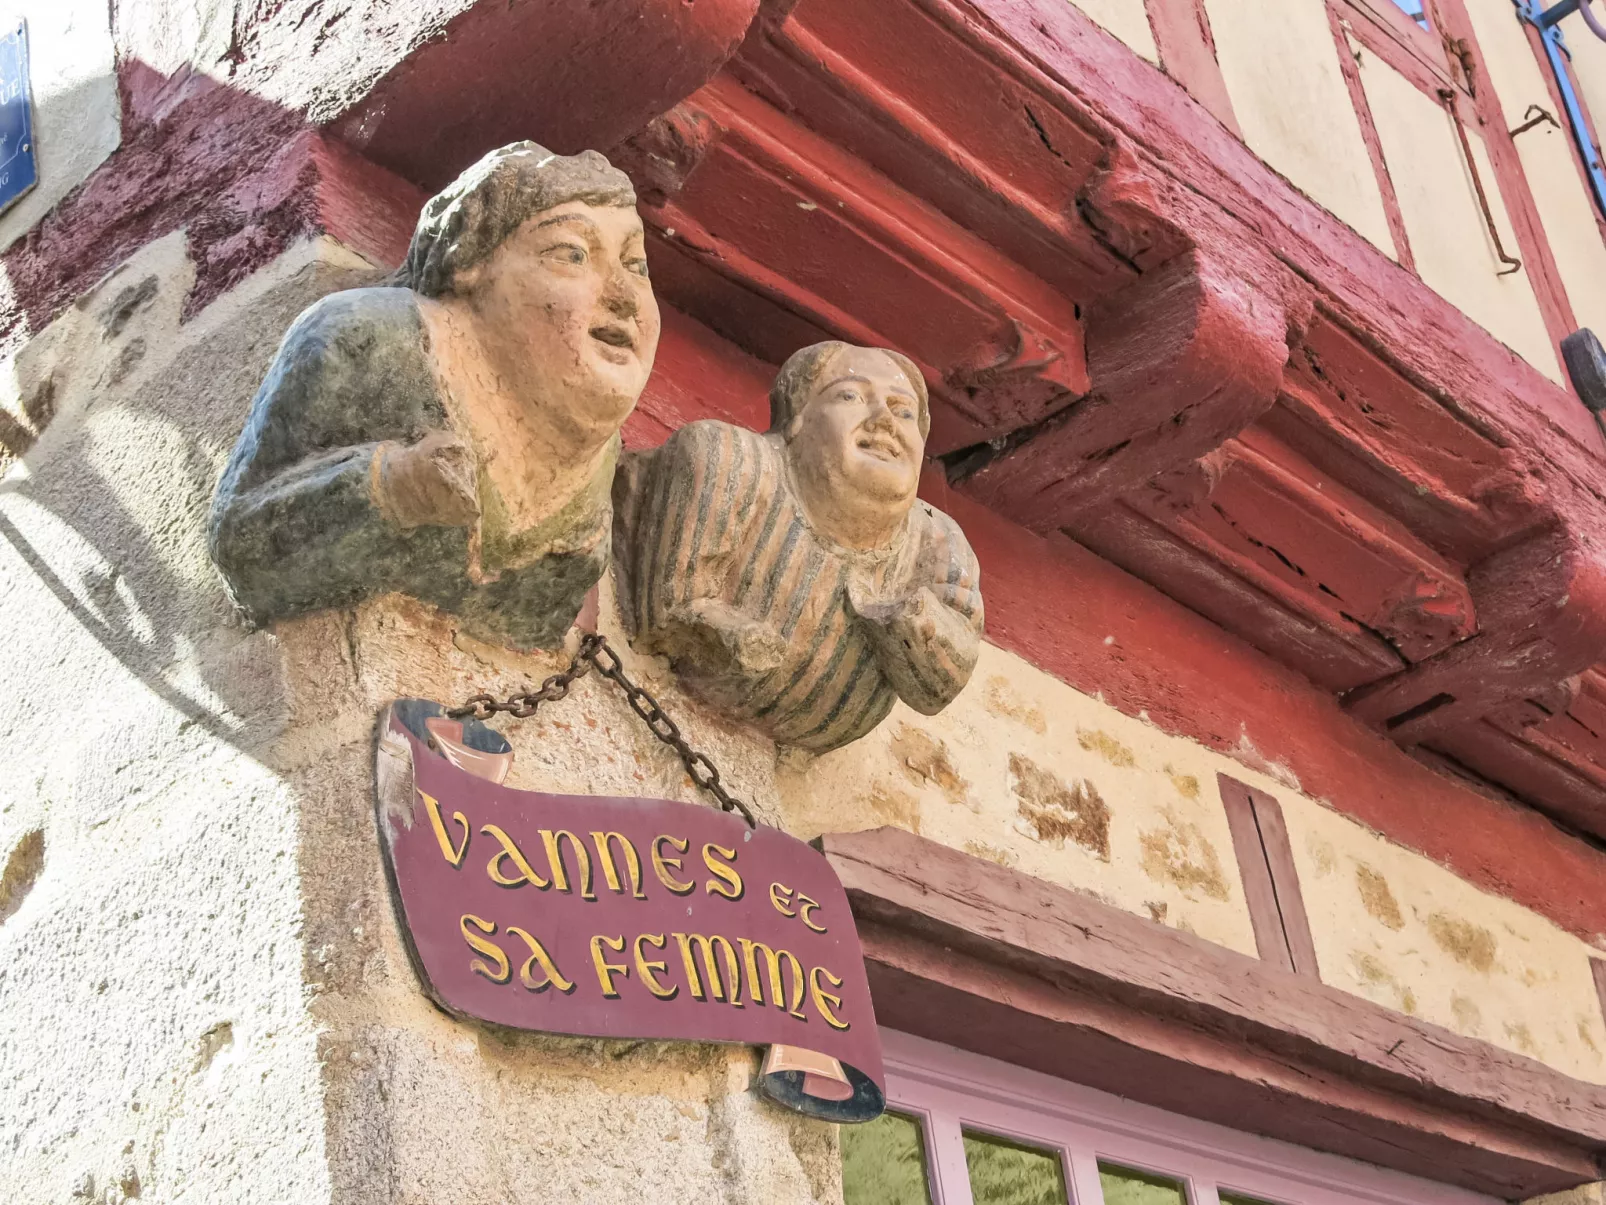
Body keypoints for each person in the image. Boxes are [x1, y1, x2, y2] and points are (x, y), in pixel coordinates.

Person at [209, 141, 661, 650]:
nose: (624, 296)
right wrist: (390, 486)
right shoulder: (372, 339)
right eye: (572, 254)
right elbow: (241, 543)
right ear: (469, 262)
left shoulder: (602, 451)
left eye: (636, 265)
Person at [616, 341, 983, 753]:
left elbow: (941, 684)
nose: (884, 421)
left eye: (903, 411)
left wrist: (915, 621)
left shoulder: (937, 540)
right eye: (851, 396)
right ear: (796, 420)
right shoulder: (731, 461)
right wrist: (726, 633)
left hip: (824, 728)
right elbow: (670, 612)